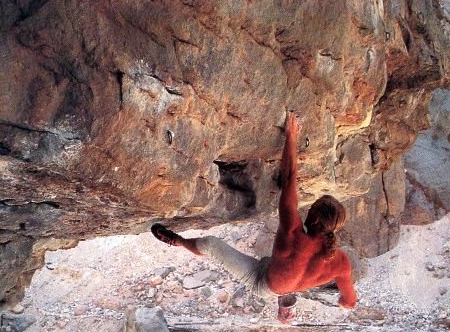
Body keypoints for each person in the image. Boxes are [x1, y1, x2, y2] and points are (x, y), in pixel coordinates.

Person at [151, 111, 358, 310]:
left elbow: (289, 180)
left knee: (210, 245)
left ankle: (177, 241)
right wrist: (343, 303)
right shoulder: (341, 263)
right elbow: (349, 301)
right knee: (293, 270)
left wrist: (291, 135)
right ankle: (285, 294)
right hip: (282, 277)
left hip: (262, 282)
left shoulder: (293, 233)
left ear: (314, 220)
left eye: (310, 210)